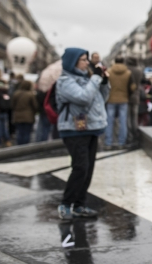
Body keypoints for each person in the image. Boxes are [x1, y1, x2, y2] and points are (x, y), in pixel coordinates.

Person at [56, 48, 109, 220]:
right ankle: (65, 205)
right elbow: (83, 98)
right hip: (73, 130)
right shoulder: (65, 81)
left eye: (87, 60)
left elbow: (101, 98)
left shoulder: (87, 79)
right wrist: (95, 78)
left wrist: (104, 82)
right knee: (80, 168)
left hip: (91, 127)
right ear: (73, 62)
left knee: (88, 169)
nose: (87, 63)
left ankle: (79, 205)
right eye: (83, 60)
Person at [104, 57, 134, 149]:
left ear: (114, 61)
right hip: (124, 99)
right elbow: (133, 87)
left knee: (109, 122)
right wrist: (127, 94)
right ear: (123, 61)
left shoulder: (109, 71)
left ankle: (108, 142)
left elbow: (105, 85)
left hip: (111, 99)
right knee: (123, 122)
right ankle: (122, 142)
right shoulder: (128, 73)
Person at [10, 80, 38, 145]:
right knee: (27, 133)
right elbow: (35, 106)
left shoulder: (16, 94)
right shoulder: (30, 95)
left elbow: (12, 105)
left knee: (20, 132)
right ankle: (26, 147)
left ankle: (19, 146)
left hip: (18, 116)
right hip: (28, 116)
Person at [126, 57, 143, 143]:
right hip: (136, 96)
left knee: (127, 118)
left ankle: (129, 136)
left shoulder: (127, 70)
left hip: (127, 96)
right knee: (134, 117)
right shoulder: (139, 71)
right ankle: (135, 134)